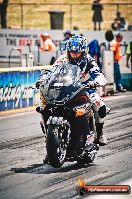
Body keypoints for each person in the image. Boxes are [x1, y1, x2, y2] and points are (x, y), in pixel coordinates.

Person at [36, 36, 108, 149]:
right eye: (71, 51)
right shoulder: (63, 59)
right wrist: (42, 79)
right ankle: (49, 142)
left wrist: (97, 81)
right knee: (44, 109)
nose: (74, 54)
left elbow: (98, 74)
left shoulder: (89, 60)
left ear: (83, 51)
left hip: (85, 88)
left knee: (100, 105)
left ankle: (99, 134)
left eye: (77, 52)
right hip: (66, 89)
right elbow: (51, 71)